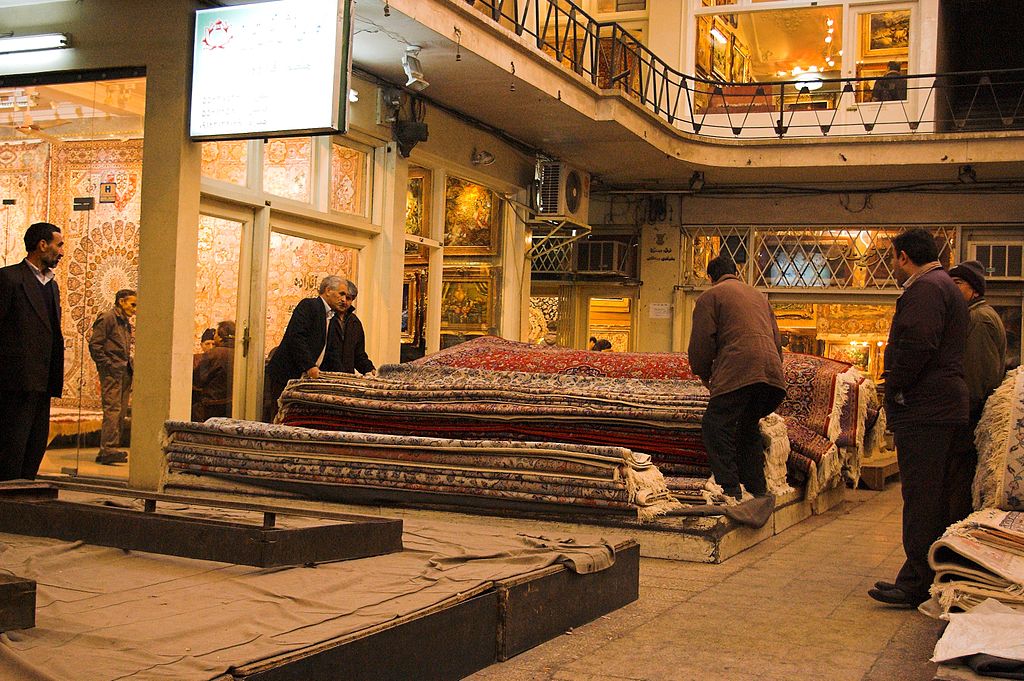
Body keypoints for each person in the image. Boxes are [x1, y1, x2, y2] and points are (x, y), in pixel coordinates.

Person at [869, 229, 968, 608]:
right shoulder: (944, 287)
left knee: (923, 496)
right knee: (935, 495)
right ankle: (925, 573)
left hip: (926, 408)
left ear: (904, 256)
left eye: (893, 258)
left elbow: (917, 343)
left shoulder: (925, 289)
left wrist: (895, 384)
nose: (893, 266)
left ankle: (916, 580)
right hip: (940, 406)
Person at [688, 254, 786, 502]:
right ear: (736, 272)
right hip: (771, 376)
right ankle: (757, 487)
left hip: (739, 369)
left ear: (711, 277)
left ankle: (729, 488)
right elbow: (776, 341)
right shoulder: (759, 297)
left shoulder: (710, 297)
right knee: (747, 426)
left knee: (715, 426)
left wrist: (704, 374)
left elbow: (701, 344)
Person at [0, 222, 65, 480]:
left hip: (42, 379)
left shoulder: (51, 285)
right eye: (58, 245)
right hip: (15, 380)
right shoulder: (9, 279)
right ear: (42, 245)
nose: (61, 252)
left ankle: (26, 488)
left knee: (34, 442)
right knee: (11, 443)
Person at [263, 276, 375, 422]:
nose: (343, 300)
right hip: (288, 374)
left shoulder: (336, 318)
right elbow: (296, 337)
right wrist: (309, 365)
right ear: (328, 291)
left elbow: (333, 352)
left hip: (308, 378)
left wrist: (344, 379)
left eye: (348, 297)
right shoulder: (309, 306)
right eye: (341, 294)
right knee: (281, 417)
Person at [946, 259, 1007, 523]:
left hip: (969, 419)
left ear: (975, 290)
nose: (951, 289)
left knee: (961, 484)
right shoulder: (972, 316)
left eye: (957, 284)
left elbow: (977, 376)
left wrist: (964, 412)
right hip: (967, 416)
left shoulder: (978, 319)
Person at [88, 288, 136, 465]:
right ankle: (108, 449)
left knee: (120, 411)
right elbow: (95, 344)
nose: (134, 308)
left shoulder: (124, 322)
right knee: (113, 410)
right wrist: (107, 365)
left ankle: (109, 449)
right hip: (113, 371)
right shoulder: (108, 318)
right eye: (132, 304)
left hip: (123, 370)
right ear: (121, 301)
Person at [192, 320, 236, 421]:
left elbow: (197, 379)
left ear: (220, 337)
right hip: (230, 407)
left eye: (215, 334)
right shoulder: (242, 355)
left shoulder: (215, 354)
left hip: (210, 407)